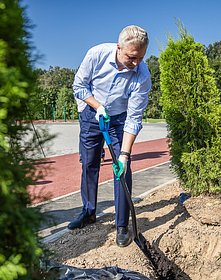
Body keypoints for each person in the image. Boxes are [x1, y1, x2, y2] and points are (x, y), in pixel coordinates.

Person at [69, 25, 151, 247]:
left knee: (122, 170)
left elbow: (134, 118)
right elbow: (79, 85)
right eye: (132, 57)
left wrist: (124, 154)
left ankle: (122, 225)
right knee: (89, 163)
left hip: (119, 120)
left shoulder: (142, 76)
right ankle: (88, 211)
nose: (136, 63)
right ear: (118, 48)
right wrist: (97, 106)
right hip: (91, 113)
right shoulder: (96, 54)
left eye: (141, 58)